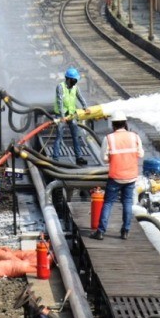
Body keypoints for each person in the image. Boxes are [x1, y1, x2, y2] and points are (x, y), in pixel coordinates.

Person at [89, 111, 144, 241]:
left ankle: (101, 232)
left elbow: (104, 158)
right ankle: (125, 231)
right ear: (125, 124)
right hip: (131, 176)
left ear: (113, 125)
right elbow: (140, 154)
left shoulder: (109, 138)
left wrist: (113, 159)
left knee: (108, 203)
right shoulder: (135, 137)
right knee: (127, 203)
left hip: (115, 176)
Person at [54, 67, 89, 165]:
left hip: (71, 114)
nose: (75, 82)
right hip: (61, 115)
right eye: (74, 80)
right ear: (68, 79)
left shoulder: (75, 87)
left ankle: (79, 157)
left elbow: (80, 97)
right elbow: (59, 101)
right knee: (59, 137)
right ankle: (55, 158)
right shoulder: (60, 87)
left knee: (76, 136)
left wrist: (85, 107)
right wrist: (61, 116)